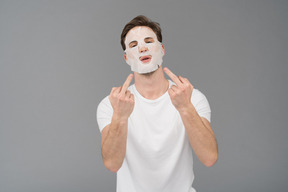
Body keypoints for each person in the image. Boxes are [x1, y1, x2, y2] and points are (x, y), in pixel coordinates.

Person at [97, 15, 218, 192]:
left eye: (148, 41)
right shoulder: (112, 104)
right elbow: (112, 164)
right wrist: (120, 117)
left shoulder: (191, 97)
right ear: (126, 58)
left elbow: (209, 158)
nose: (142, 48)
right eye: (133, 45)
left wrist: (185, 107)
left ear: (161, 49)